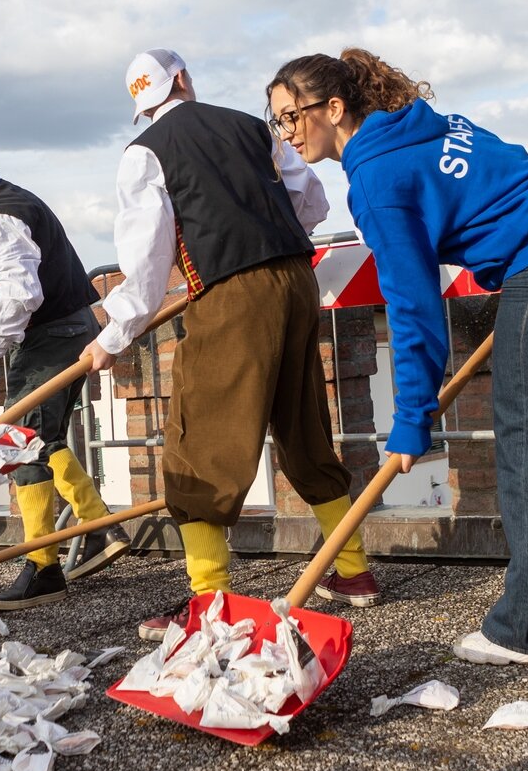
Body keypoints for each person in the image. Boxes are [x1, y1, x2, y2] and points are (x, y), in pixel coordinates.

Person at [265, 51, 528, 665]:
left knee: (527, 441)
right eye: (277, 122)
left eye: (292, 116)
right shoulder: (426, 124)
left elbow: (413, 307)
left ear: (334, 108)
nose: (287, 132)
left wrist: (412, 419)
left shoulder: (377, 179)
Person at [80, 49, 376, 640]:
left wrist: (114, 335)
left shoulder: (143, 154)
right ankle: (353, 571)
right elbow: (312, 201)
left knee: (200, 434)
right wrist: (262, 237)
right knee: (302, 421)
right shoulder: (250, 126)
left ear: (143, 104)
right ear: (183, 79)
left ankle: (209, 600)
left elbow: (146, 260)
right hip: (296, 276)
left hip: (230, 292)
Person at [0, 144, 130, 610]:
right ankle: (98, 529)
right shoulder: (0, 206)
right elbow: (1, 268)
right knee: (42, 438)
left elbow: (18, 290)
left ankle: (43, 567)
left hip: (49, 336)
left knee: (21, 442)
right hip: (70, 328)